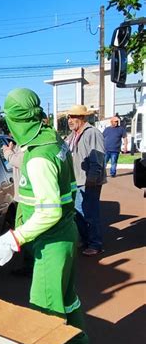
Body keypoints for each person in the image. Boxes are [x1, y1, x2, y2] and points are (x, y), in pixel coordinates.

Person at [0, 88, 89, 344]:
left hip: (52, 243)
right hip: (66, 236)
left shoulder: (38, 159)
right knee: (68, 299)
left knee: (45, 309)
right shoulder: (51, 142)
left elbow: (49, 211)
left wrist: (14, 238)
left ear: (15, 121)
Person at [65, 105, 106, 256]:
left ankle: (96, 244)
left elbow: (98, 158)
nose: (70, 120)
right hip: (78, 181)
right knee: (79, 213)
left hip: (88, 181)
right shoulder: (73, 135)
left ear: (83, 118)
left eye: (73, 117)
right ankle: (87, 240)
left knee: (90, 213)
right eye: (69, 117)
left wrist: (92, 179)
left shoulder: (92, 133)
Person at [2, 141, 33, 276]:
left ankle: (31, 264)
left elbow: (20, 161)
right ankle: (28, 263)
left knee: (28, 232)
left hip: (28, 200)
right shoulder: (21, 145)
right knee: (21, 229)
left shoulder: (30, 145)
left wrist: (8, 153)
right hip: (21, 198)